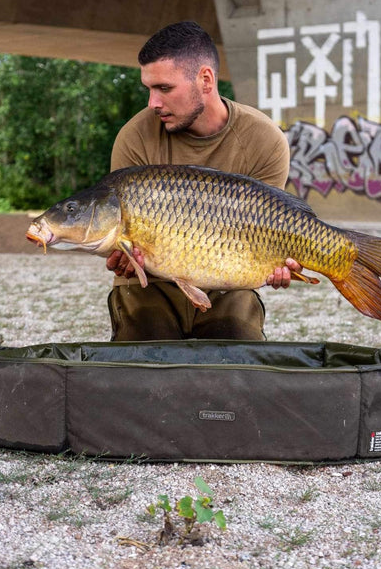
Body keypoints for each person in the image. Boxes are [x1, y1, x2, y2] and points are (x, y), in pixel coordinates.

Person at [106, 20, 302, 342]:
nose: (152, 103)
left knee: (235, 347)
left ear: (206, 80)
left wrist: (276, 264)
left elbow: (268, 231)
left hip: (227, 280)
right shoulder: (134, 137)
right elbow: (121, 239)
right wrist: (126, 259)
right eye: (149, 89)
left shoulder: (264, 140)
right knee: (144, 352)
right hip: (149, 281)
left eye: (164, 89)